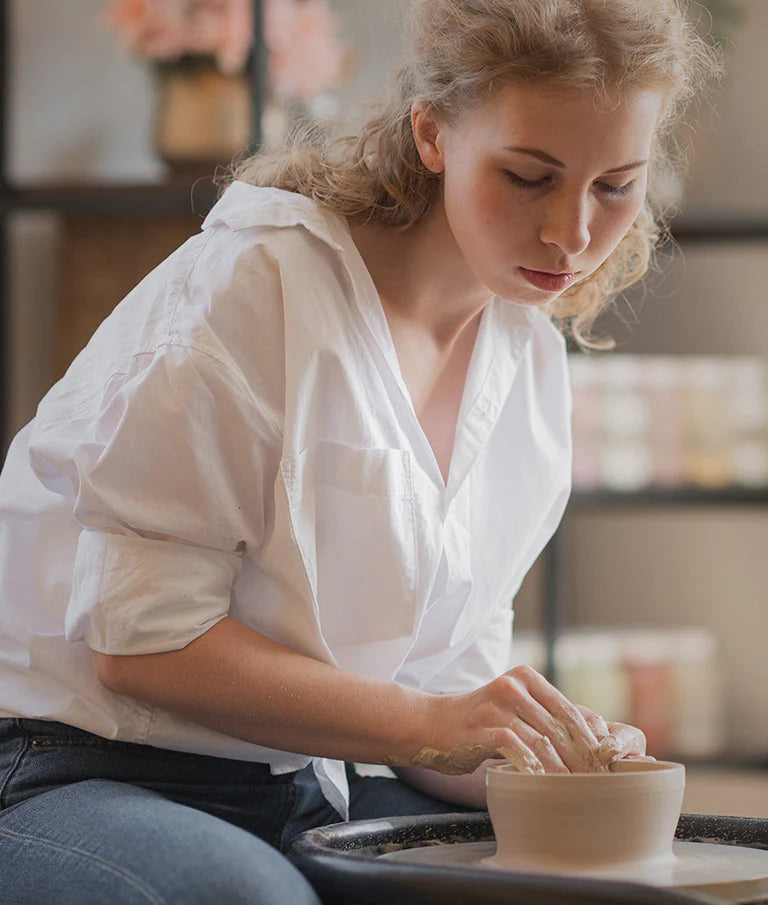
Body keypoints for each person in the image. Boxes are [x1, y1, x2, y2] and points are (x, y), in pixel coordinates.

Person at [0, 1, 720, 903]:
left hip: (316, 778)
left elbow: (443, 688)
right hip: (83, 763)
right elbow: (139, 644)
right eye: (528, 176)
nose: (572, 234)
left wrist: (554, 751)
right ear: (432, 133)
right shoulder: (260, 286)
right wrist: (432, 721)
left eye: (615, 185)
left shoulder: (527, 356)